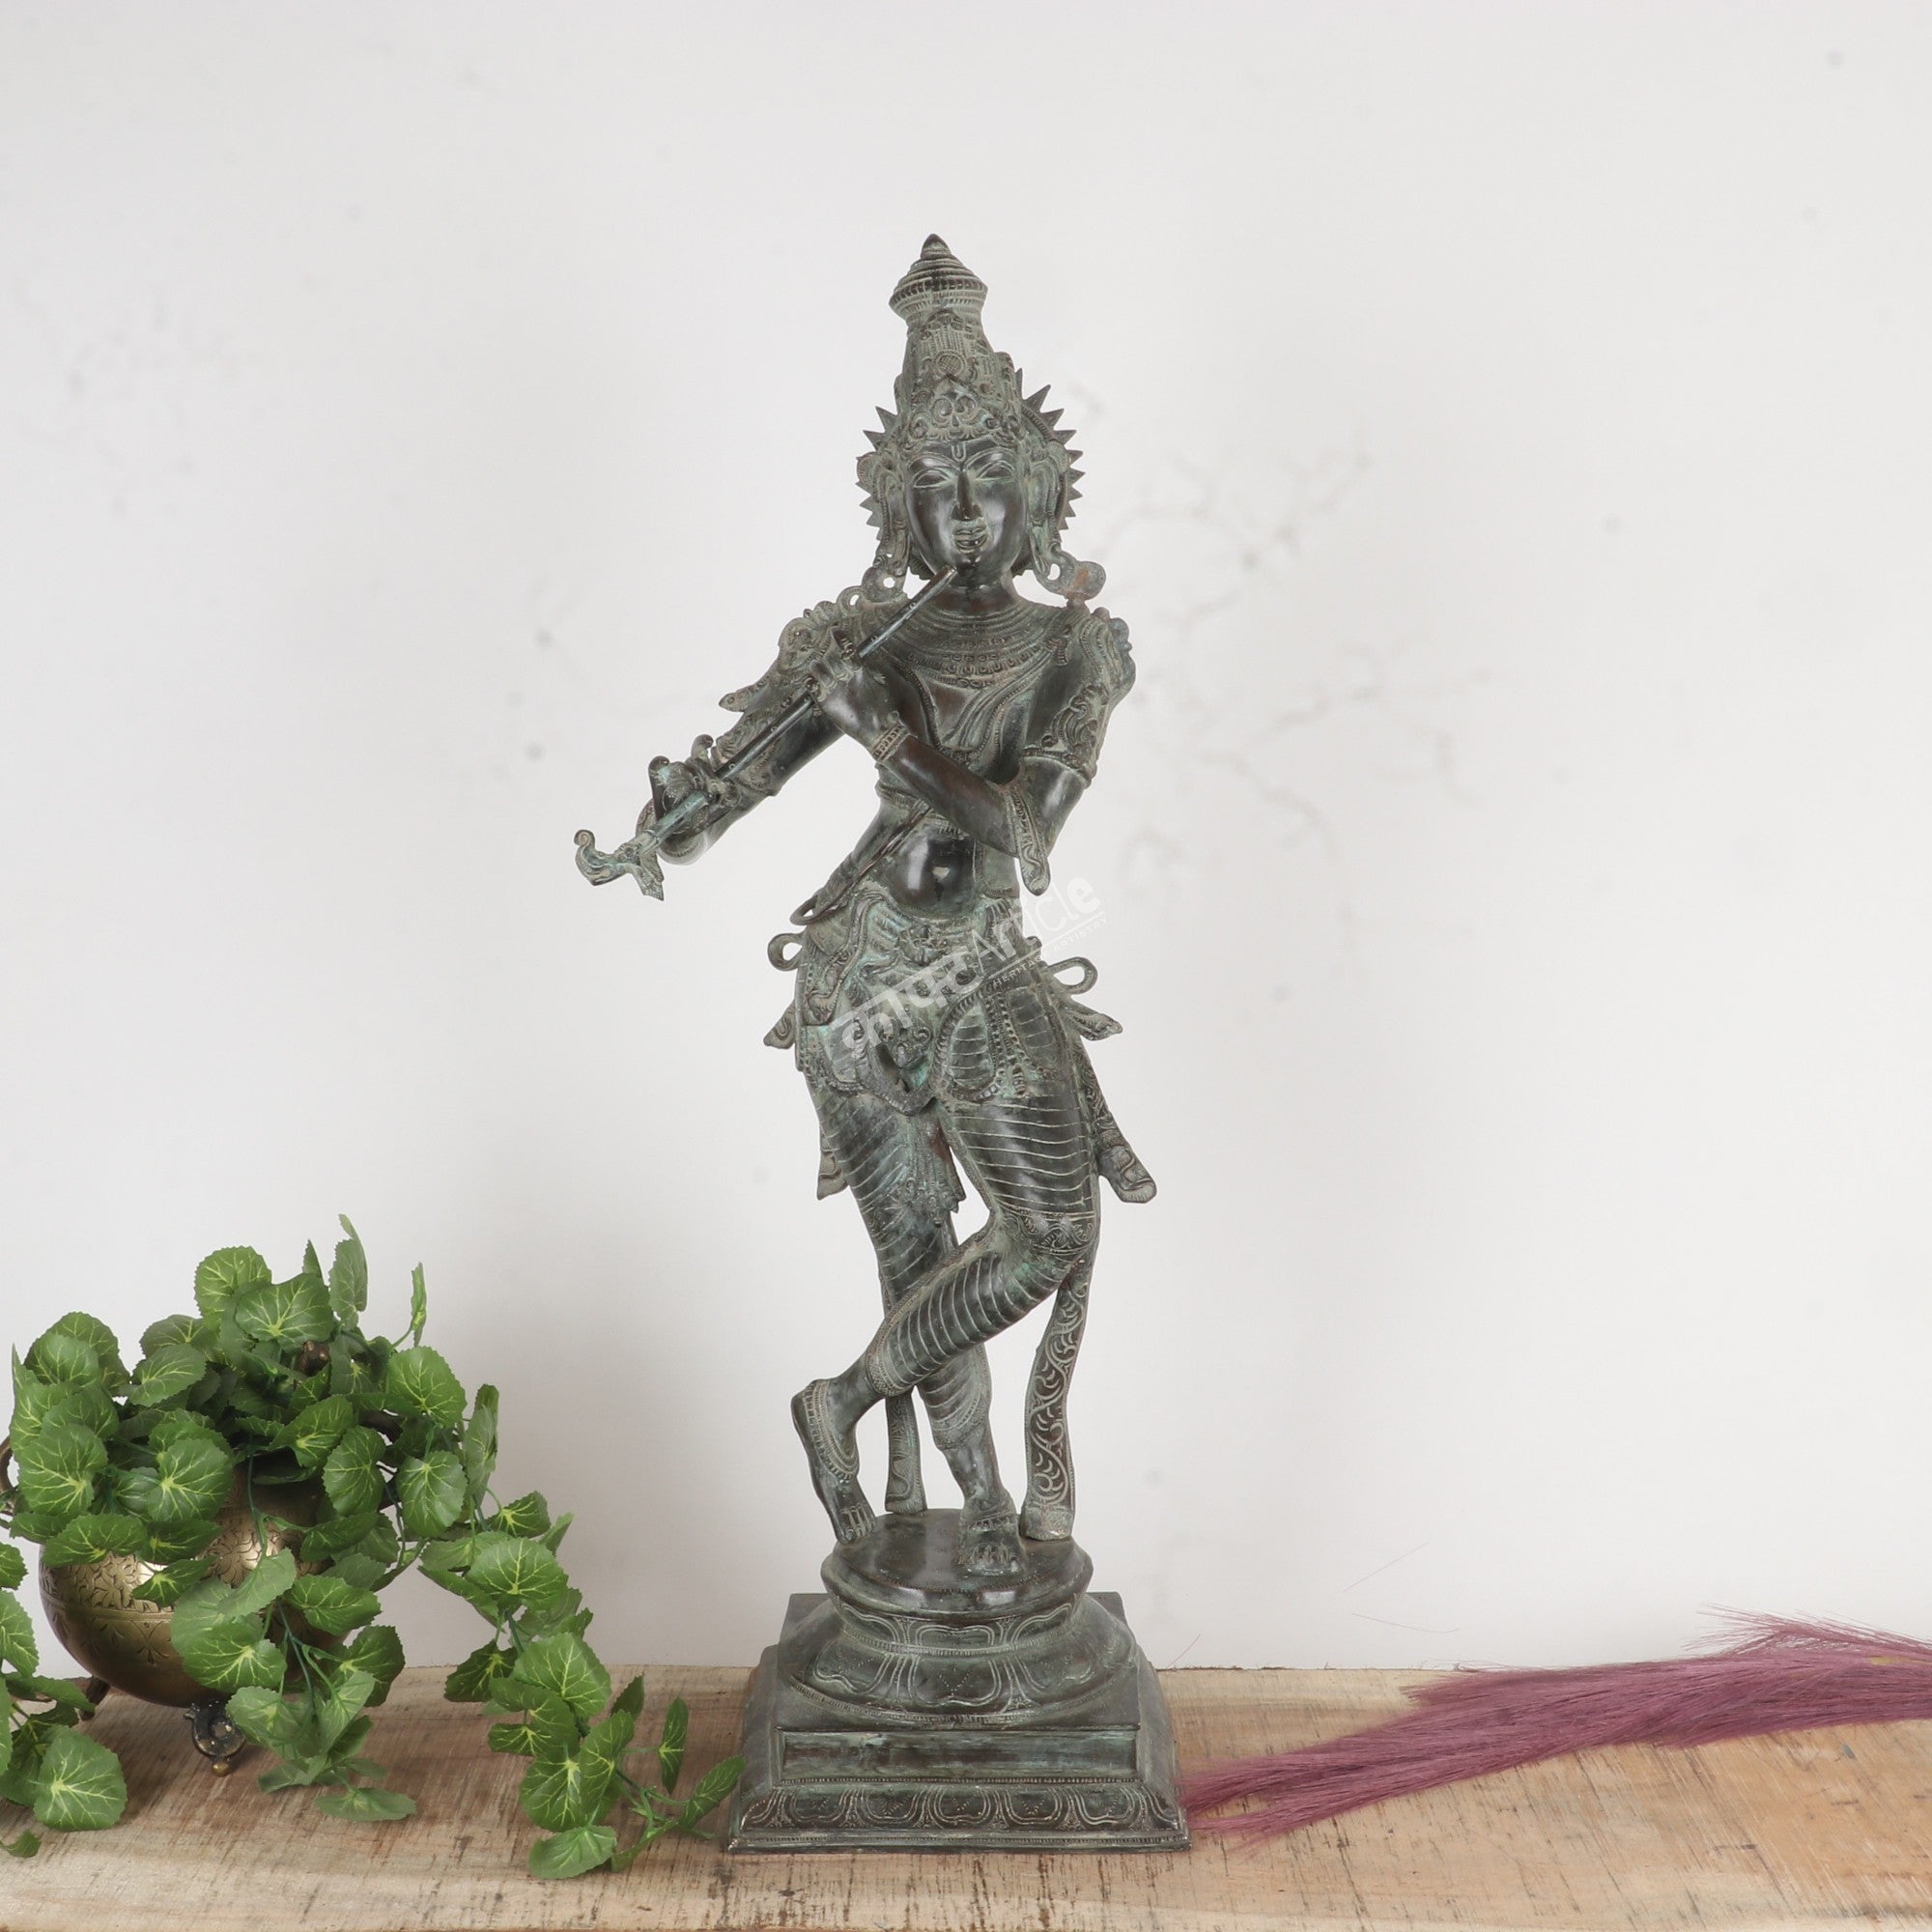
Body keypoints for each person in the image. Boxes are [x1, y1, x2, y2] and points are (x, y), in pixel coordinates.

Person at [646, 238, 1151, 1577]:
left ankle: (844, 1401)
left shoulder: (1077, 650)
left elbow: (1027, 828)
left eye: (991, 479)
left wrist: (883, 733)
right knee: (918, 1247)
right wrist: (675, 820)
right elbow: (726, 801)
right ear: (896, 508)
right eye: (934, 486)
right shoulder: (859, 642)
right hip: (861, 977)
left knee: (1045, 1232)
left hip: (978, 964)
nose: (968, 510)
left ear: (1039, 489)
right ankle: (984, 1512)